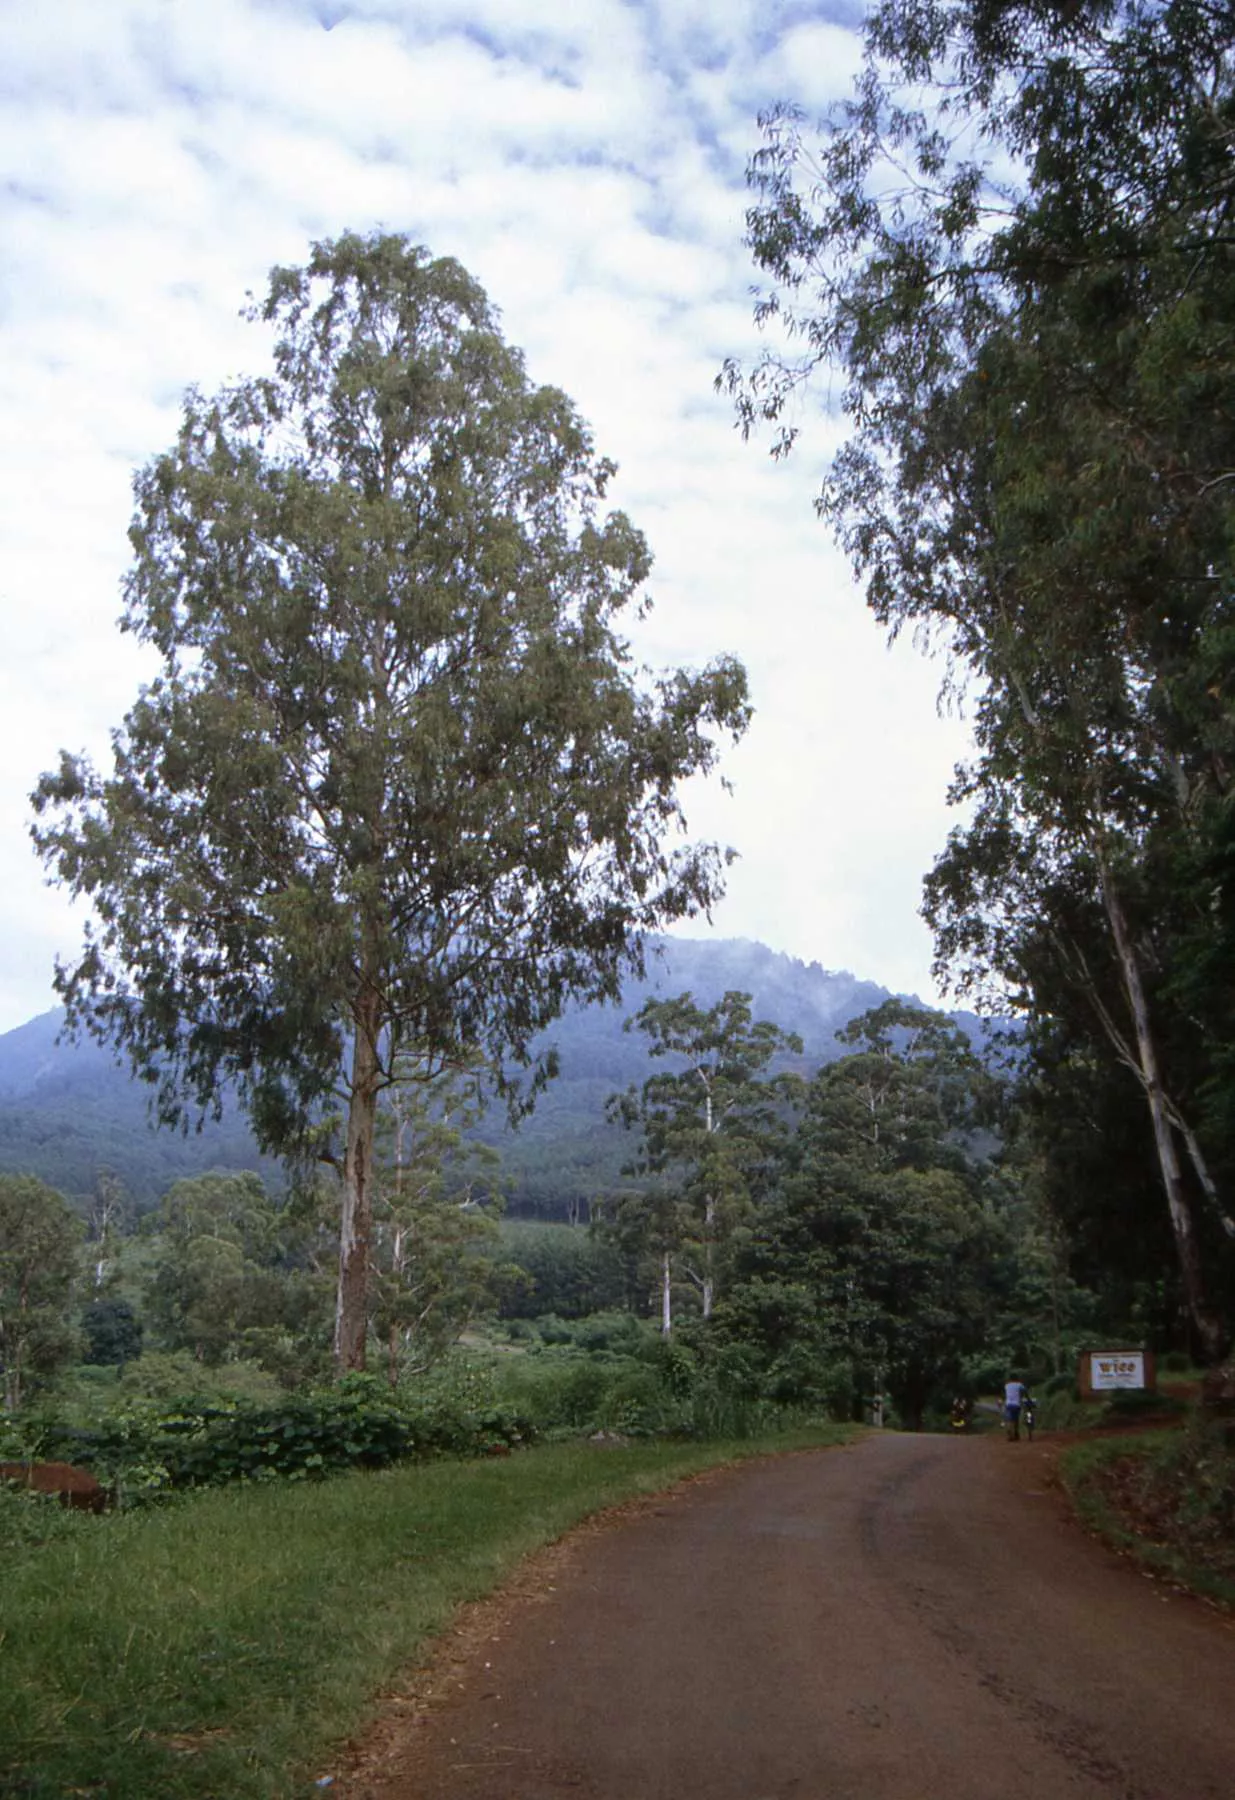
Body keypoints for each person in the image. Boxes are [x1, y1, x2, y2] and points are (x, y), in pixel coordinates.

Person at [1004, 1375, 1030, 1440]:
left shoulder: (1006, 1385)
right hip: (1016, 1404)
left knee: (1009, 1419)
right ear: (1017, 1378)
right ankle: (1016, 1433)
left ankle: (1010, 1431)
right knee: (1016, 1420)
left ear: (1009, 1379)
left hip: (1008, 1404)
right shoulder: (1019, 1385)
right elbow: (1025, 1392)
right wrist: (1028, 1399)